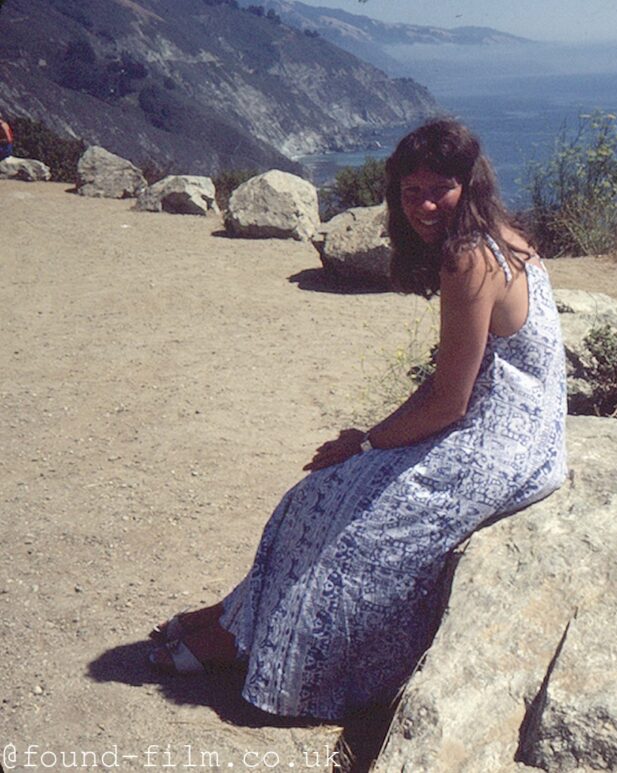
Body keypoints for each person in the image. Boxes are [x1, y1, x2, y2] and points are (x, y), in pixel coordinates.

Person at [148, 118, 568, 722]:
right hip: (524, 428)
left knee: (351, 525)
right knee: (312, 499)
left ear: (467, 184)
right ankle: (232, 622)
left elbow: (449, 399)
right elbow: (461, 378)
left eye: (439, 190)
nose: (424, 205)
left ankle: (277, 663)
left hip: (502, 442)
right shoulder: (500, 235)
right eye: (410, 192)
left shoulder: (471, 258)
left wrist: (367, 442)